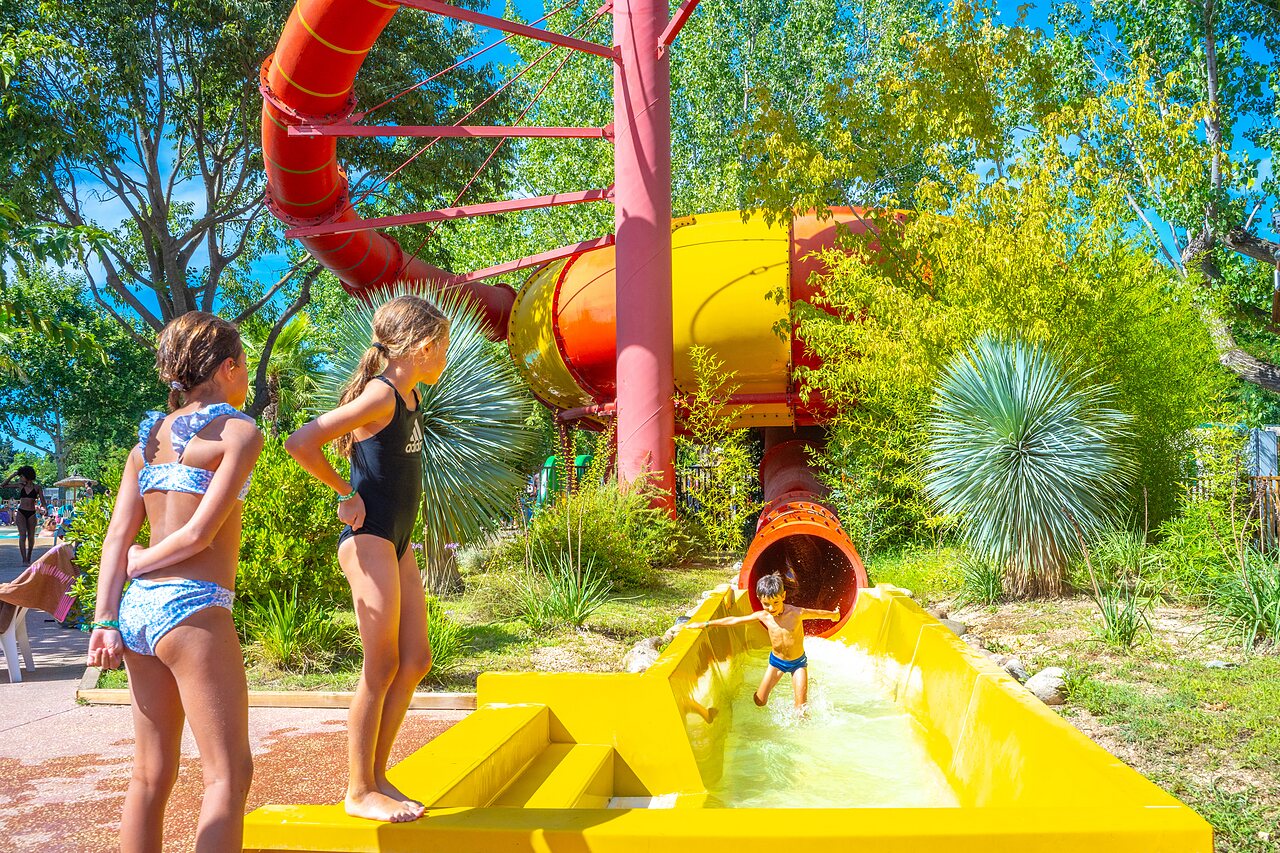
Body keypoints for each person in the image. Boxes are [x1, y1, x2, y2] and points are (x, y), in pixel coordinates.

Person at [86, 311, 263, 853]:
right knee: (228, 775)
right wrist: (148, 560)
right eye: (245, 366)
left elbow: (117, 537)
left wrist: (105, 618)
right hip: (192, 607)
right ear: (229, 367)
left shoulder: (146, 442)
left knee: (149, 774)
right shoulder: (239, 431)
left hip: (138, 614)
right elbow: (200, 535)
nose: (248, 376)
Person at [285, 295, 448, 824]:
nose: (445, 355)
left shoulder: (410, 398)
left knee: (415, 659)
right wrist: (343, 493)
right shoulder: (380, 398)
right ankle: (358, 790)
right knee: (380, 665)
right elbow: (302, 440)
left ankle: (377, 776)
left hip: (396, 541)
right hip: (370, 536)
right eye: (441, 345)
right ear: (421, 348)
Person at [685, 572, 840, 711]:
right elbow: (734, 620)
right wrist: (706, 624)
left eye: (776, 603)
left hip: (798, 663)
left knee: (801, 709)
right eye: (766, 604)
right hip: (776, 663)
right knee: (760, 702)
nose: (771, 608)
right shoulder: (763, 616)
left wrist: (834, 616)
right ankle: (759, 694)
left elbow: (817, 613)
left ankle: (805, 709)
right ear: (760, 599)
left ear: (783, 596)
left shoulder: (796, 613)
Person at [2, 466, 44, 563]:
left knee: (31, 536)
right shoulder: (21, 485)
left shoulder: (37, 487)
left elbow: (43, 501)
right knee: (22, 536)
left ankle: (29, 556)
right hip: (21, 512)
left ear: (27, 476)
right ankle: (24, 559)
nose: (20, 478)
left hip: (32, 512)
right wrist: (13, 475)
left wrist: (44, 508)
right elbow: (3, 485)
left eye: (21, 476)